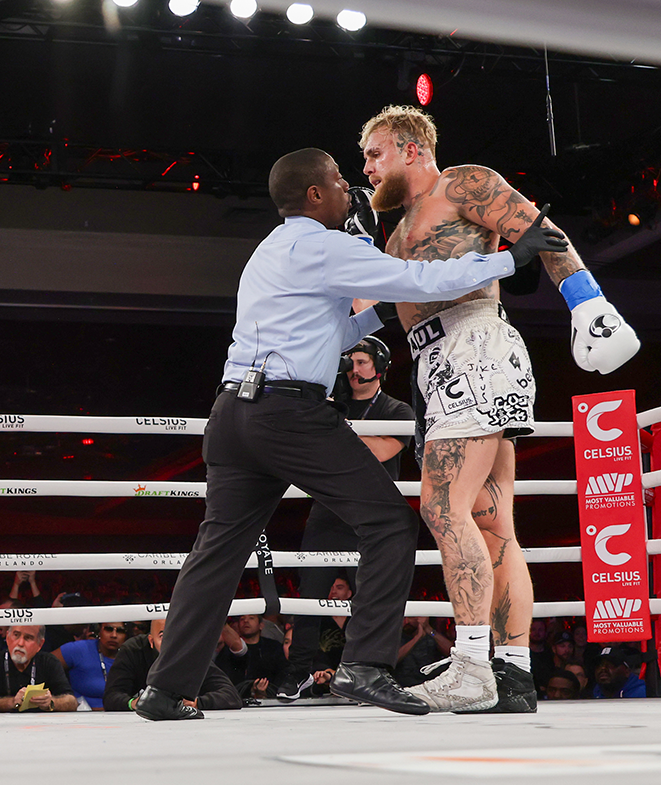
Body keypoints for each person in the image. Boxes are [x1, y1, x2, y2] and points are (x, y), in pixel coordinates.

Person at [133, 146, 563, 722]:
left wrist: (378, 306)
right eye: (339, 181)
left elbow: (337, 332)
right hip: (286, 412)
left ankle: (165, 690)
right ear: (314, 194)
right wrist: (508, 260)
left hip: (233, 413)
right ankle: (365, 666)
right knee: (388, 521)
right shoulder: (323, 244)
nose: (351, 190)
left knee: (216, 553)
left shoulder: (270, 250)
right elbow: (416, 274)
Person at [359, 105, 638, 713]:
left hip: (473, 346)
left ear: (410, 148)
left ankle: (470, 666)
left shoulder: (463, 184)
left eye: (375, 154)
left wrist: (586, 300)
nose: (368, 167)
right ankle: (512, 672)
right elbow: (372, 307)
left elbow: (540, 230)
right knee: (492, 528)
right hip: (439, 364)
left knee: (440, 507)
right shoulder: (394, 232)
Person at [276, 336, 414, 701]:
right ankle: (299, 672)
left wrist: (338, 433)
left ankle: (369, 670)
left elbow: (383, 451)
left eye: (363, 361)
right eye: (351, 361)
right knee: (309, 597)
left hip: (371, 514)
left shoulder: (397, 411)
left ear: (380, 366)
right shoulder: (330, 407)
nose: (354, 368)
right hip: (327, 511)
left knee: (372, 595)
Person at [104, 618, 241, 712]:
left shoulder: (191, 652)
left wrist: (197, 703)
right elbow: (111, 696)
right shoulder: (134, 650)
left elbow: (231, 696)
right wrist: (135, 703)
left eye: (174, 635)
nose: (171, 643)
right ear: (151, 641)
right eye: (163, 636)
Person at [0, 625, 78, 712]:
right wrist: (11, 702)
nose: (20, 643)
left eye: (28, 638)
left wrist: (51, 702)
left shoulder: (49, 662)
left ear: (39, 645)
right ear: (8, 638)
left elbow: (71, 701)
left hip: (40, 727)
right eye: (16, 635)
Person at [213, 614, 287, 700]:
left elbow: (282, 673)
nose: (246, 621)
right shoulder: (228, 650)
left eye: (251, 618)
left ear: (261, 625)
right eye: (242, 619)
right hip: (239, 699)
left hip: (272, 698)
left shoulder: (273, 647)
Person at [55, 621, 127, 709]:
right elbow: (43, 665)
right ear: (99, 630)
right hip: (79, 717)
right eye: (108, 629)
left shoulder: (130, 656)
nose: (114, 635)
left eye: (120, 631)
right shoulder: (78, 649)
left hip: (122, 717)